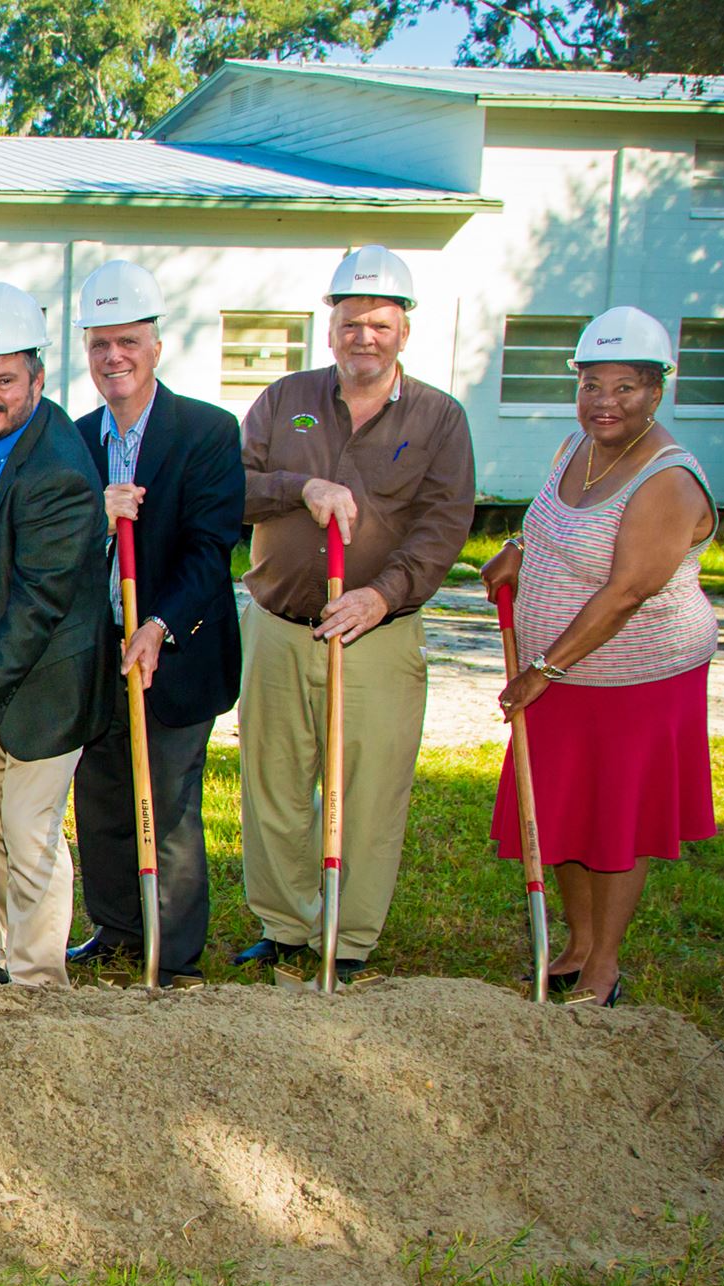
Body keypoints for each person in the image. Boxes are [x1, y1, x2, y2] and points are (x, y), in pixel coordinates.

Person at [233, 245, 475, 982]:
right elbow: (231, 488)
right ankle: (287, 928)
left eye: (378, 323)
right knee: (273, 784)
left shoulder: (439, 417)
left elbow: (444, 524)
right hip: (278, 624)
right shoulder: (285, 400)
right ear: (329, 327)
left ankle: (353, 938)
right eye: (348, 323)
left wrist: (382, 595)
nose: (362, 336)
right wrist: (299, 485)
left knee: (369, 790)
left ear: (404, 329)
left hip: (376, 633)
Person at [483, 307, 717, 1008]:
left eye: (626, 388)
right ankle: (577, 942)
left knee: (616, 819)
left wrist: (542, 669)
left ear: (658, 391)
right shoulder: (576, 446)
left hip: (635, 681)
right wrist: (517, 550)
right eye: (592, 385)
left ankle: (603, 967)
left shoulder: (669, 480)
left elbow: (626, 592)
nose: (604, 403)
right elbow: (549, 522)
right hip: (562, 677)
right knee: (564, 811)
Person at [55, 262, 242, 982]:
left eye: (128, 341)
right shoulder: (73, 441)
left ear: (156, 345)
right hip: (99, 652)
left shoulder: (206, 432)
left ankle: (177, 952)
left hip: (175, 648)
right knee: (100, 796)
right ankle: (118, 928)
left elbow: (210, 547)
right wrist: (98, 523)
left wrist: (159, 625)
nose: (114, 358)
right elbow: (62, 549)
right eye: (100, 344)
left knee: (165, 804)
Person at [0, 283, 108, 989]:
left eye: (4, 379)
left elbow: (39, 606)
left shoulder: (59, 474)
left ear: (37, 377)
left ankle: (39, 983)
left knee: (30, 834)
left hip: (43, 684)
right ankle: (7, 958)